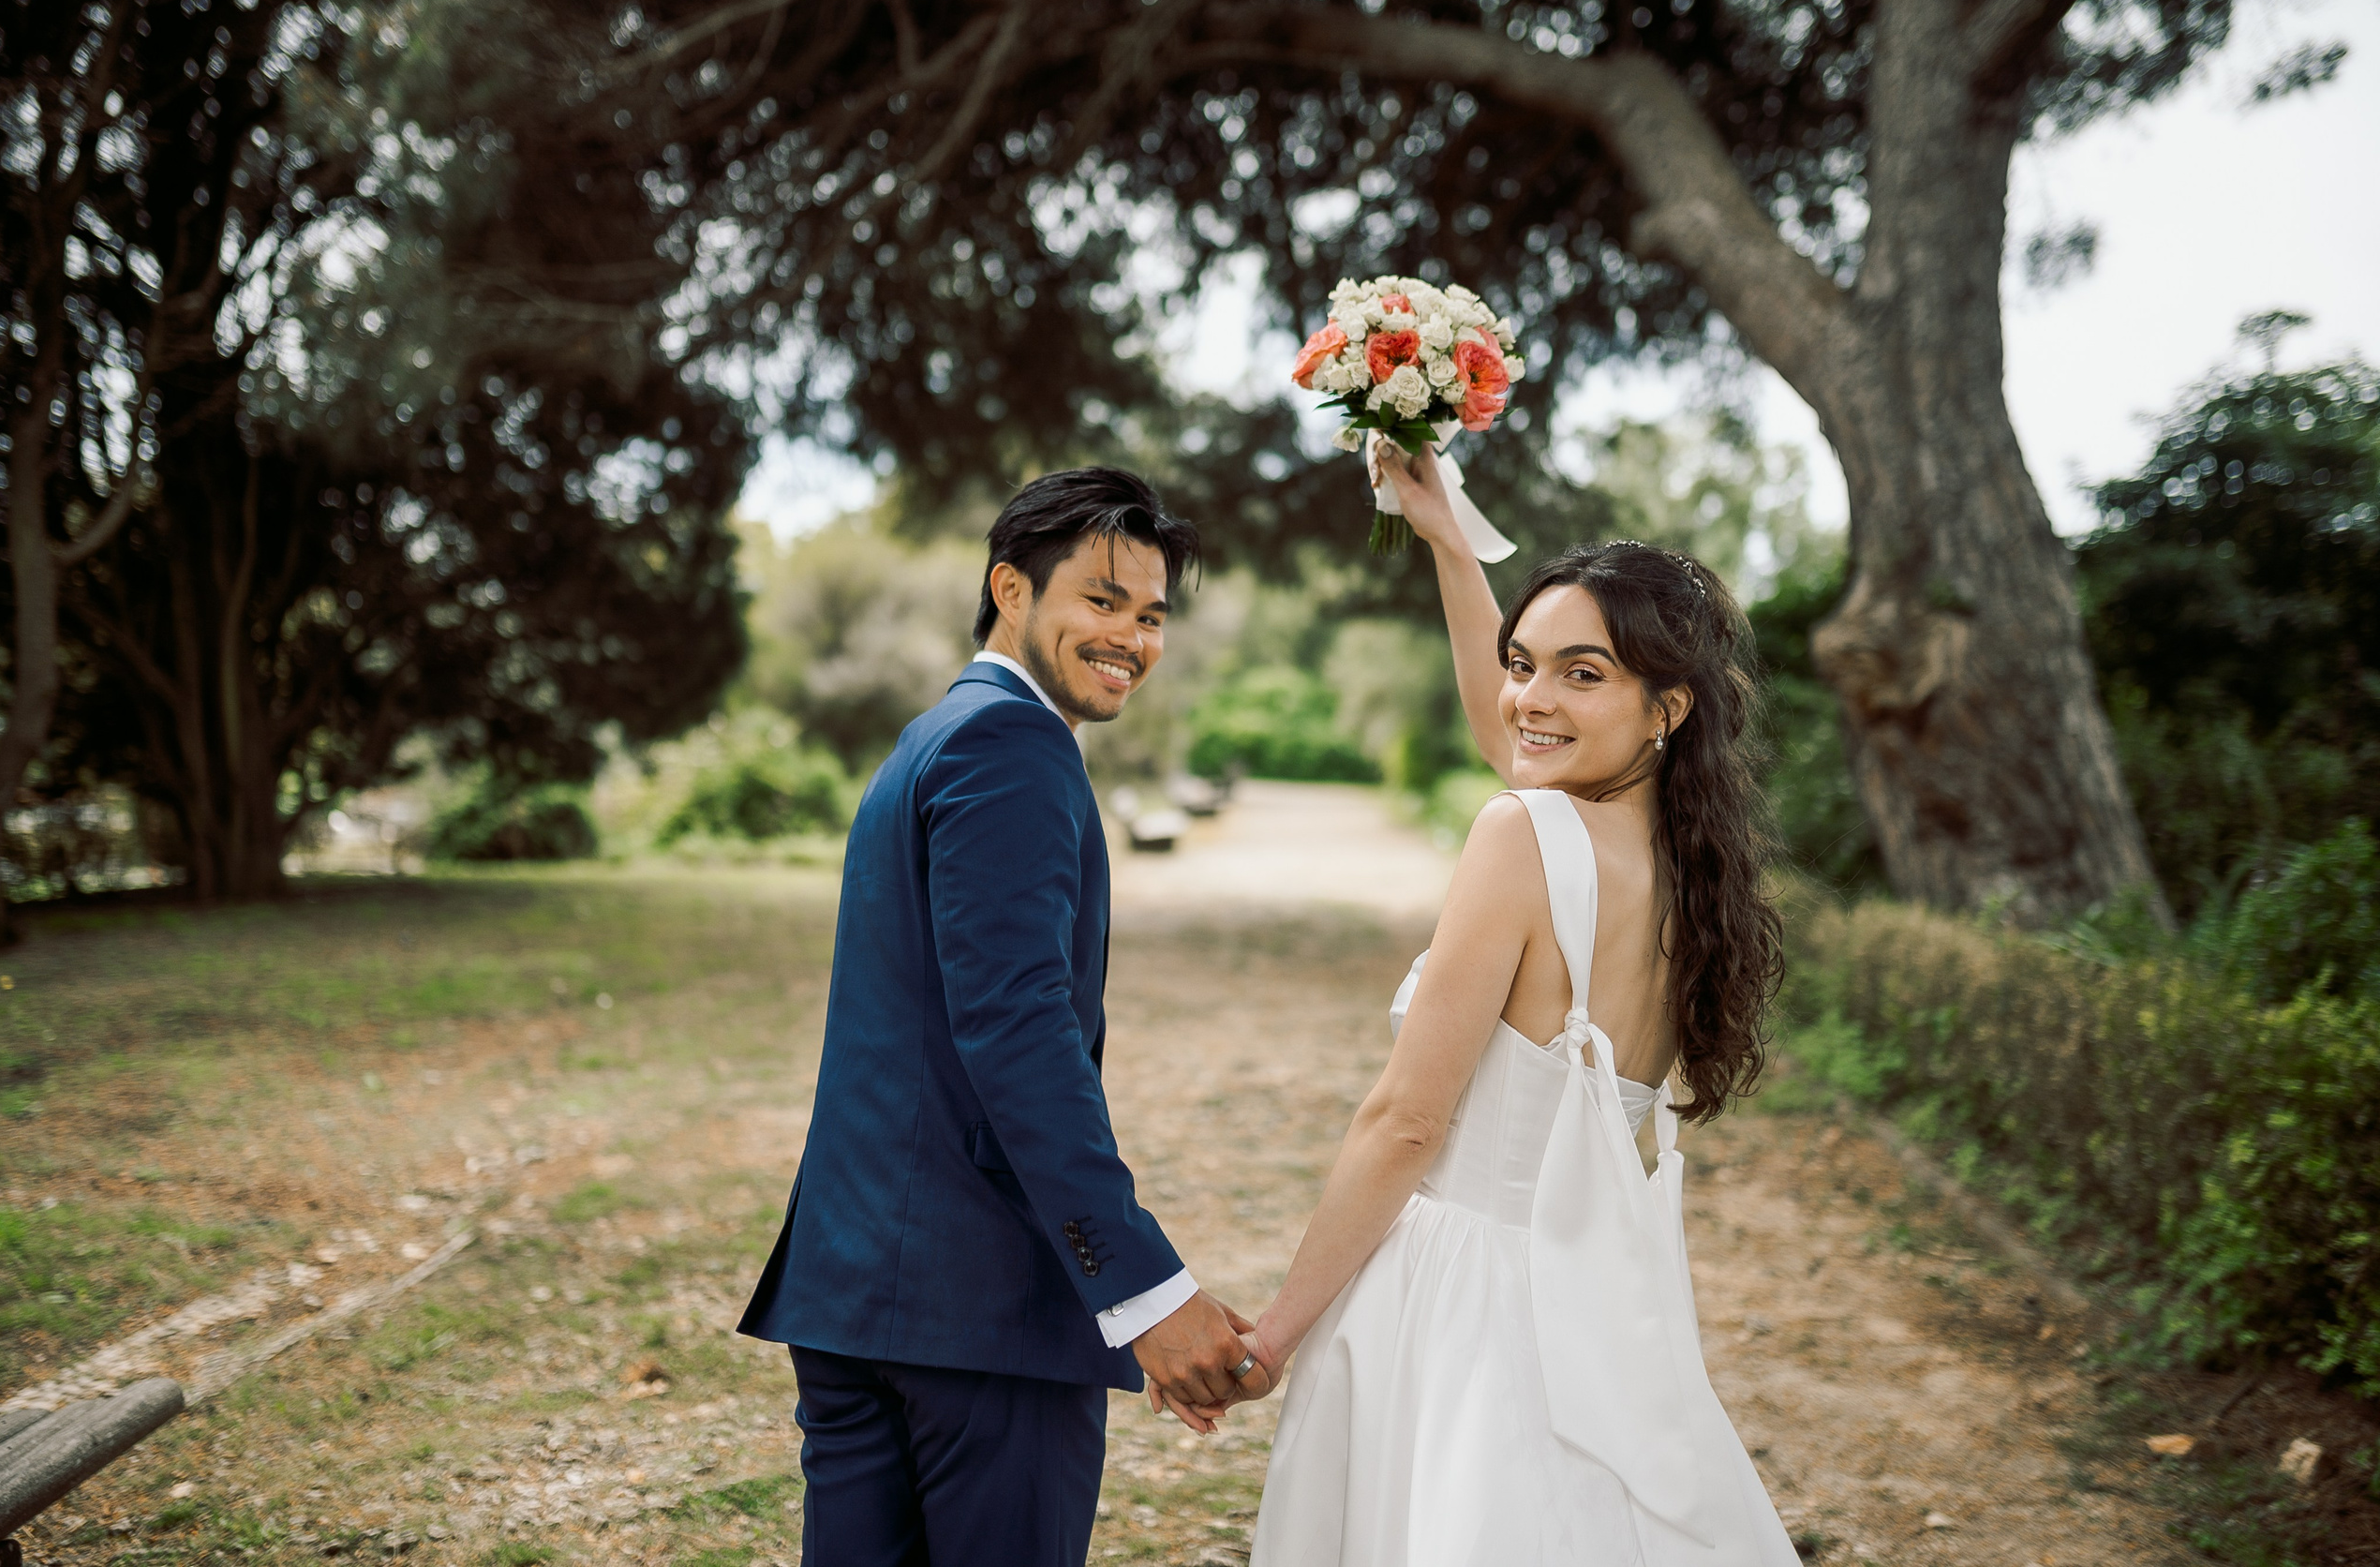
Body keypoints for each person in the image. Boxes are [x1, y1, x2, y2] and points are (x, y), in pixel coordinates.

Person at [1232, 441, 1801, 1565]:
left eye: (1580, 673)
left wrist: (1275, 1335)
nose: (1530, 701)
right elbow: (1527, 745)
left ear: (1665, 707)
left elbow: (1405, 1121)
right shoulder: (1687, 863)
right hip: (1592, 1292)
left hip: (1461, 1290)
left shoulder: (1524, 835)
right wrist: (1452, 538)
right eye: (1521, 662)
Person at [736, 468, 1272, 1567]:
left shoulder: (937, 732)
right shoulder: (1010, 746)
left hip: (856, 1297)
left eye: (1152, 613)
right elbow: (1018, 1031)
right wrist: (1141, 1289)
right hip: (979, 1318)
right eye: (1101, 598)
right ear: (1011, 591)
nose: (1131, 635)